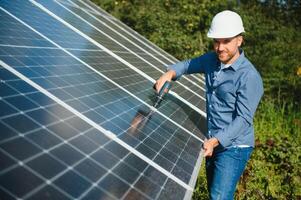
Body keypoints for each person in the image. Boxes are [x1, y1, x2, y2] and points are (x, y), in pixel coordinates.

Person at [154, 10, 263, 199]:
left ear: (239, 40)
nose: (220, 48)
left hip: (234, 146)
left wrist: (215, 140)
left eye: (226, 41)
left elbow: (244, 120)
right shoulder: (211, 60)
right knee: (215, 193)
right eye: (216, 41)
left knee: (219, 197)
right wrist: (169, 73)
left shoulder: (249, 77)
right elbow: (188, 65)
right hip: (213, 140)